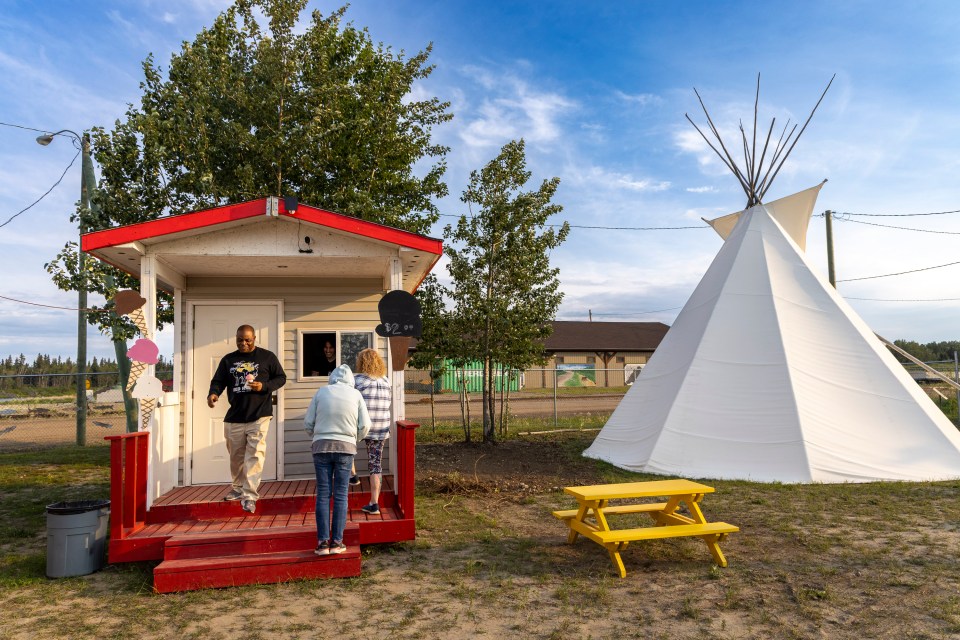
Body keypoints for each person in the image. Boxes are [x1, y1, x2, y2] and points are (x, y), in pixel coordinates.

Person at [207, 325, 287, 514]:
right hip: (235, 416)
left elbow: (281, 378)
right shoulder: (229, 360)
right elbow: (218, 381)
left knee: (255, 455)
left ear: (254, 338)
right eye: (240, 340)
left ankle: (250, 495)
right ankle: (238, 488)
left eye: (247, 340)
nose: (243, 343)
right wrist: (213, 394)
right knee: (236, 457)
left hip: (259, 415)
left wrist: (265, 386)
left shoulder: (267, 357)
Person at [304, 364, 370, 556]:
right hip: (345, 448)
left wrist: (316, 435)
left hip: (321, 447)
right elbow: (365, 425)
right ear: (351, 379)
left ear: (332, 378)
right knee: (341, 495)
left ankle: (322, 543)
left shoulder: (321, 392)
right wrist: (353, 438)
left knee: (323, 494)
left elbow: (308, 422)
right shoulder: (355, 394)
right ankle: (337, 543)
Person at [353, 348, 391, 515]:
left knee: (345, 446)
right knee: (375, 464)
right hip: (381, 427)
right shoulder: (386, 380)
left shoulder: (358, 380)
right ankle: (374, 504)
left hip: (363, 425)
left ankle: (352, 475)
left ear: (362, 362)